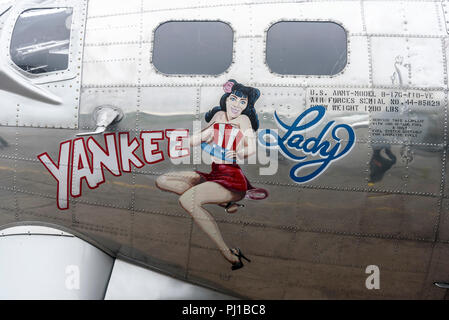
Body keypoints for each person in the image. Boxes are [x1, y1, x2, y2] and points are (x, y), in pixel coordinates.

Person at [156, 80, 268, 270]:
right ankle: (223, 202)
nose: (236, 105)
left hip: (232, 180)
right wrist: (189, 141)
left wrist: (240, 153)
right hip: (215, 173)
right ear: (227, 99)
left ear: (246, 106)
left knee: (187, 201)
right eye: (234, 99)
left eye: (242, 103)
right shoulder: (219, 116)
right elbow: (199, 137)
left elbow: (251, 147)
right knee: (162, 180)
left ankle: (227, 251)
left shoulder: (243, 121)